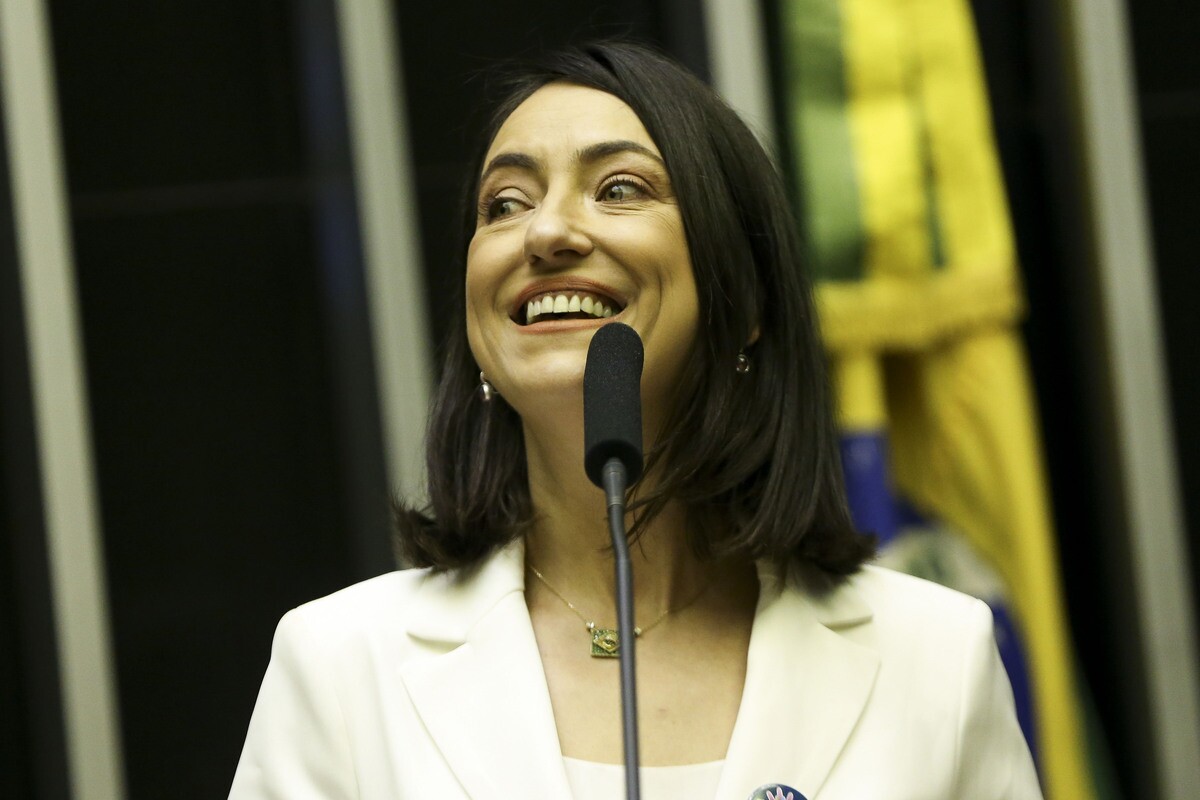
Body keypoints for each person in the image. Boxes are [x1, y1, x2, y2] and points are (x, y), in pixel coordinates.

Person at [230, 41, 1042, 799]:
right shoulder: (340, 665)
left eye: (619, 188)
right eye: (504, 203)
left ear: (745, 300)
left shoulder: (935, 657)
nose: (545, 232)